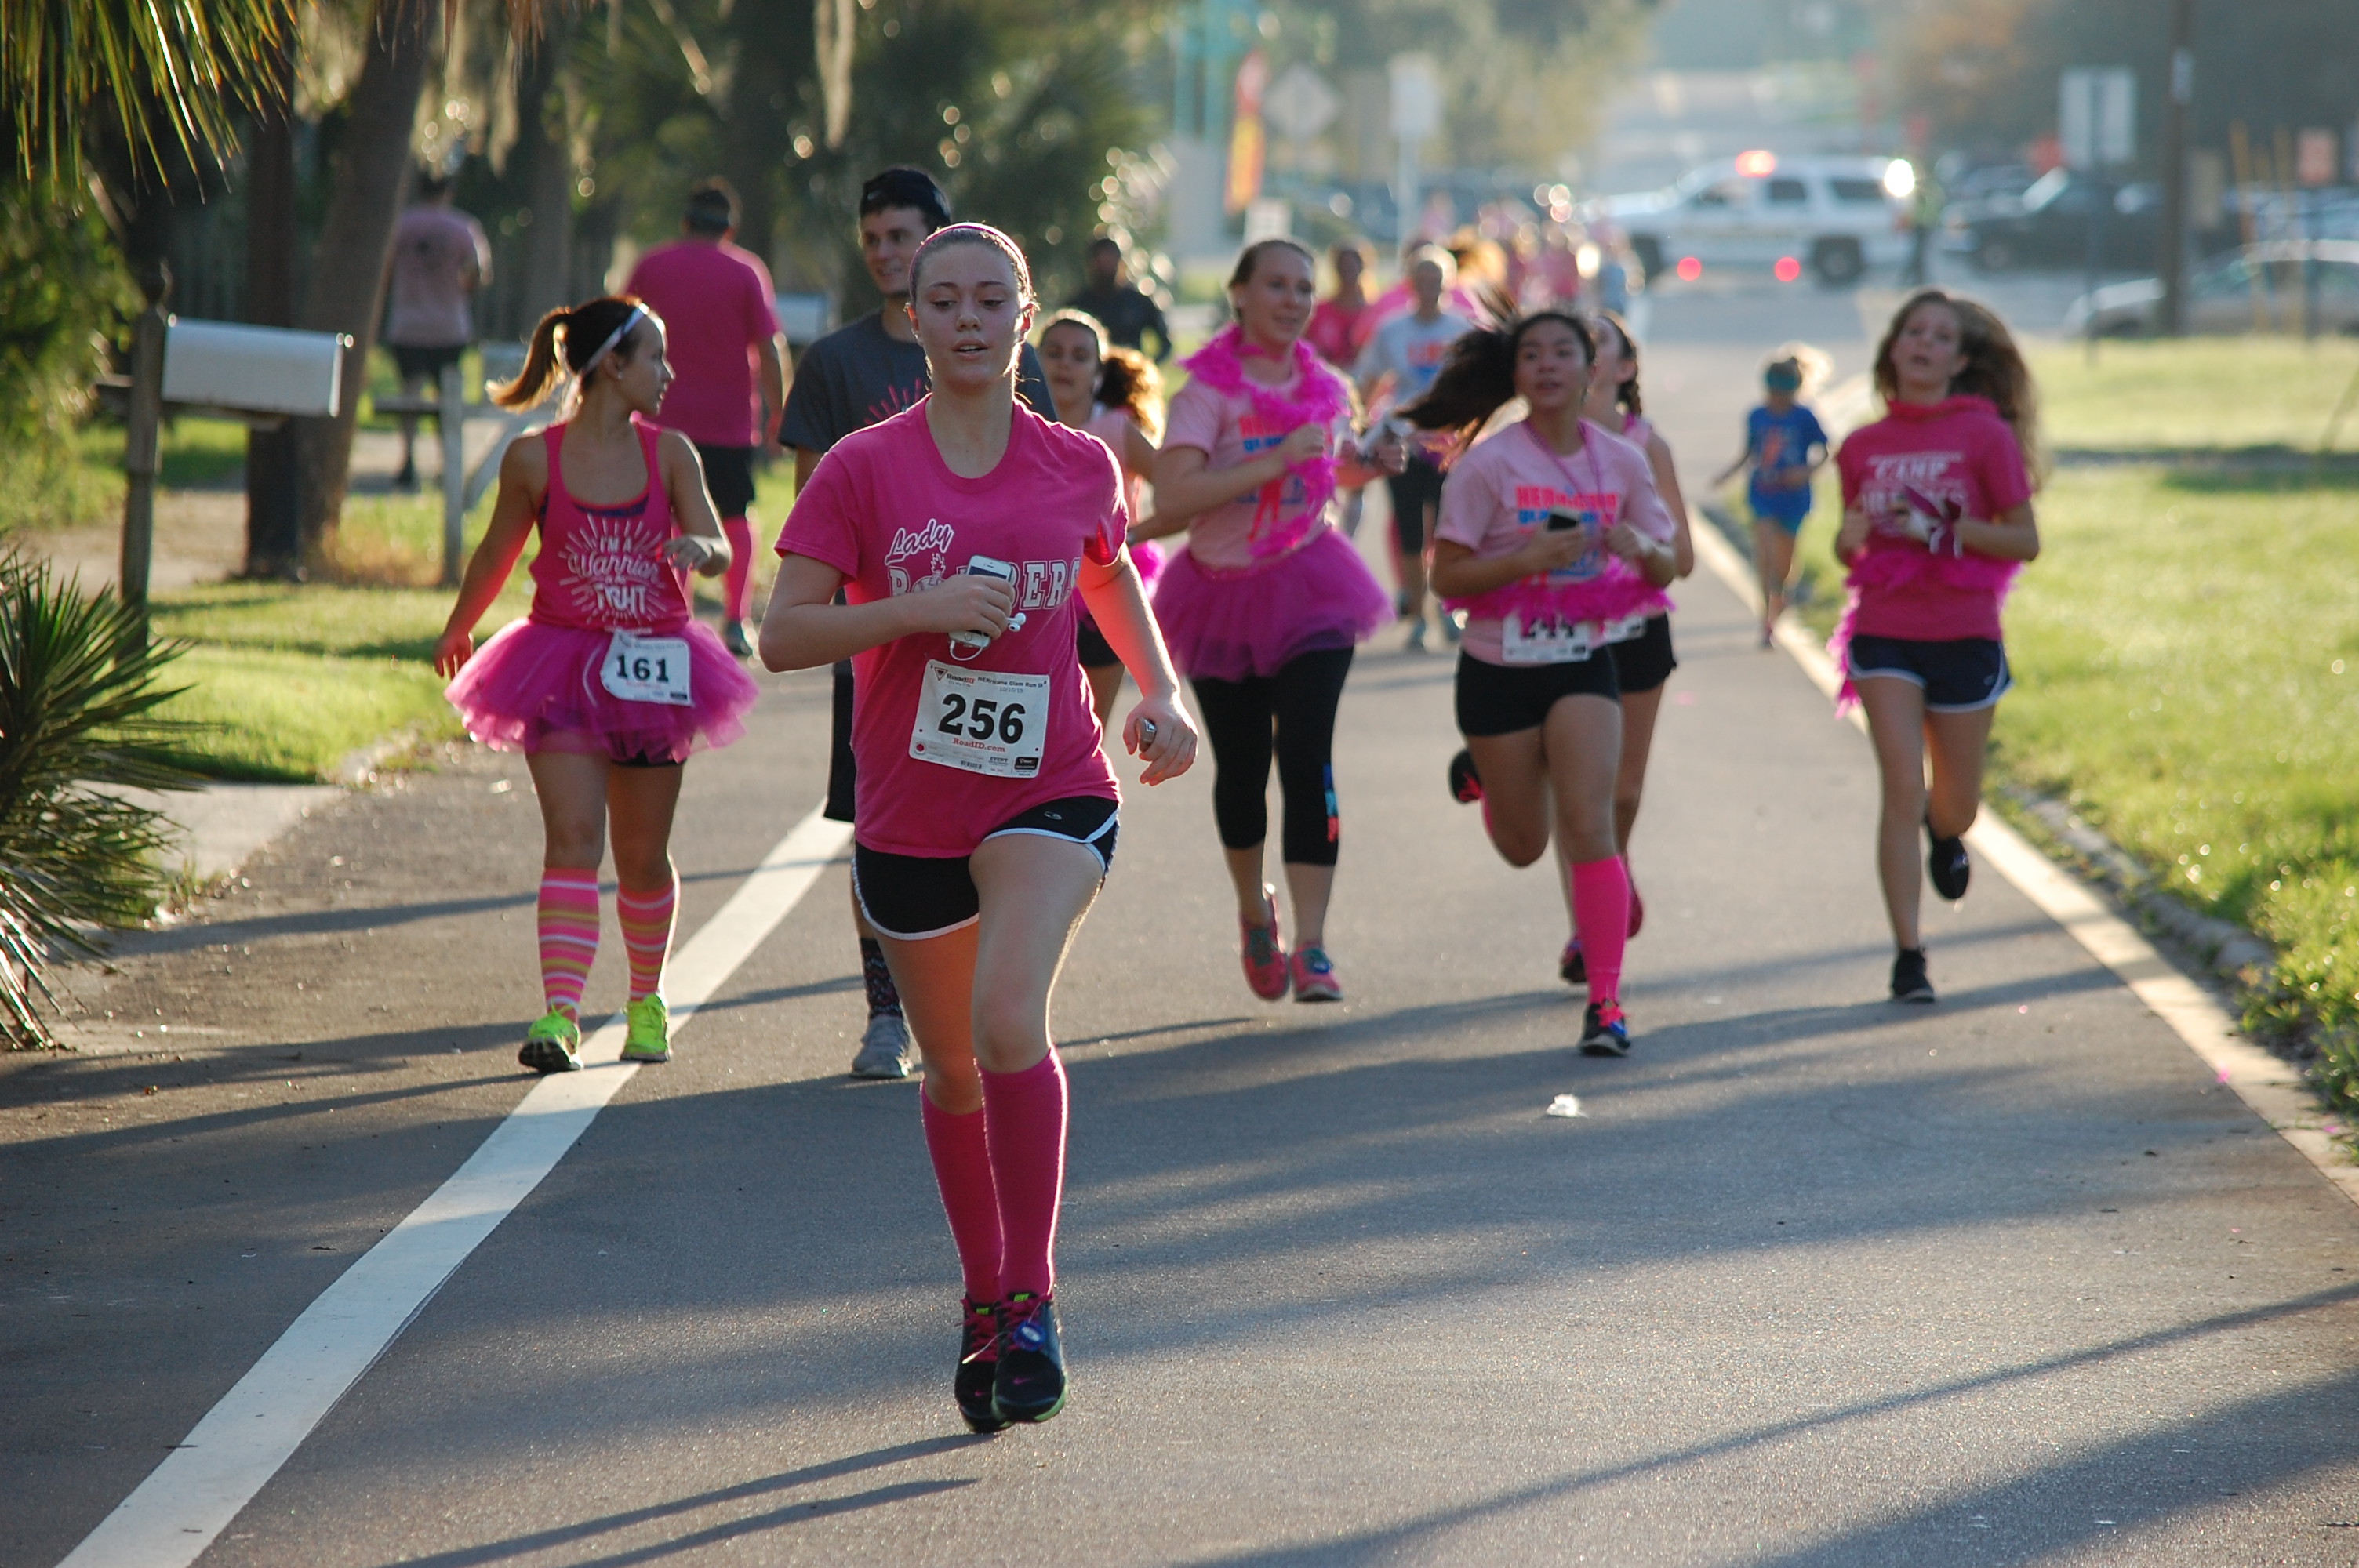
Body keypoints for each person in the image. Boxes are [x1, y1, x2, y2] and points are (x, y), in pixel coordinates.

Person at [762, 223, 1198, 1432]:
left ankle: (1036, 1299)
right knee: (951, 1064)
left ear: (1024, 315)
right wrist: (918, 609)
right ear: (910, 316)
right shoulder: (862, 468)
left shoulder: (1079, 465)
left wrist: (1160, 693)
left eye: (988, 299)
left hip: (1050, 786)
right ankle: (982, 1296)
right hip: (909, 808)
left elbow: (1108, 574)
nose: (965, 317)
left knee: (1011, 1020)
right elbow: (782, 635)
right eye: (939, 299)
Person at [780, 165, 1057, 1080]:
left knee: (1001, 824)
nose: (885, 254)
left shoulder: (1008, 359)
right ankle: (887, 1008)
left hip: (1003, 654)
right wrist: (882, 603)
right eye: (874, 243)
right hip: (880, 641)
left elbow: (1053, 500)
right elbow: (817, 506)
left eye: (901, 235)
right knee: (879, 821)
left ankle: (985, 992)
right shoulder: (836, 363)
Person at [434, 296, 758, 1073]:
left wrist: (698, 549)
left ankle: (646, 999)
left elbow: (715, 540)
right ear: (611, 364)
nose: (668, 373)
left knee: (642, 856)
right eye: (655, 356)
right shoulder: (533, 459)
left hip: (654, 667)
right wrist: (459, 622)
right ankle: (561, 1014)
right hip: (559, 664)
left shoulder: (672, 452)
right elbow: (494, 554)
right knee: (571, 841)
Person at [1403, 312, 1678, 1055]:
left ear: (1594, 369)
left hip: (1583, 661)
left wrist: (1641, 546)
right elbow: (1449, 577)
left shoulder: (1622, 461)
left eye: (1565, 352)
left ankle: (1608, 1003)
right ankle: (1492, 783)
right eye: (1533, 354)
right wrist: (1527, 559)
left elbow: (1667, 563)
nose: (1549, 365)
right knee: (1525, 845)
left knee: (1591, 823)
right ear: (1516, 374)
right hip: (1497, 668)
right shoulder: (1489, 465)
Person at [1145, 238, 1406, 1004]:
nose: (1291, 299)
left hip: (1310, 584)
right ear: (1239, 295)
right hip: (1220, 592)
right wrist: (1268, 461)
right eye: (1275, 285)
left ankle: (1315, 944)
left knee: (1306, 755)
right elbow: (1173, 497)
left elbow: (1333, 466)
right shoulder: (1205, 393)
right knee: (1241, 770)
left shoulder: (1325, 385)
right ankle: (1254, 911)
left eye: (1301, 286)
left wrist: (1371, 461)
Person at [1830, 289, 2041, 1004]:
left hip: (1966, 630)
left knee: (1956, 805)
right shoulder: (1860, 446)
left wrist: (1947, 530)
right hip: (1885, 628)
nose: (1923, 343)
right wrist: (1847, 539)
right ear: (1894, 350)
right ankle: (1908, 954)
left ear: (1959, 359)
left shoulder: (1986, 438)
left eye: (1940, 335)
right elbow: (1848, 545)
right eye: (1912, 332)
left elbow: (2025, 539)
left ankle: (1944, 833)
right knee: (1900, 785)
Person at [1555, 309, 1696, 986]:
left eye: (1594, 346)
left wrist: (1641, 548)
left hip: (1635, 627)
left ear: (1622, 367)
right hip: (1557, 630)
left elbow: (1685, 556)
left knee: (1624, 788)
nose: (1578, 357)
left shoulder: (1647, 444)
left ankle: (1614, 865)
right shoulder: (1531, 446)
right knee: (1575, 789)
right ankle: (1588, 926)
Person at [625, 178, 789, 659]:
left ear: (685, 222)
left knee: (667, 520)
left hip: (658, 418)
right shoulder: (745, 272)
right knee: (734, 518)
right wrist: (780, 413)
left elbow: (621, 332)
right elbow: (770, 348)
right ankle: (735, 620)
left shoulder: (651, 266)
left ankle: (675, 617)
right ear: (730, 228)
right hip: (729, 423)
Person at [1037, 309, 1167, 728]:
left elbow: (1181, 493)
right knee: (1036, 728)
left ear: (1098, 371)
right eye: (1053, 353)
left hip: (1100, 598)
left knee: (1087, 730)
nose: (1064, 364)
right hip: (1034, 590)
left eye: (1079, 356)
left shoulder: (1116, 429)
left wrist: (1130, 539)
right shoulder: (1010, 423)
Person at [1355, 246, 1474, 650]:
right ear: (1410, 283)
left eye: (1436, 280)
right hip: (1404, 441)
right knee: (1410, 533)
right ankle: (1419, 617)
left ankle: (1449, 609)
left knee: (1447, 531)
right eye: (1421, 280)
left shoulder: (1461, 330)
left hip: (1449, 445)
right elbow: (1369, 381)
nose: (1428, 288)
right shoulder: (1392, 330)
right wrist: (1359, 427)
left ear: (1448, 284)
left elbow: (1479, 390)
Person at [1712, 344, 1831, 645]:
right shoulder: (1756, 416)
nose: (1777, 400)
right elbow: (1749, 452)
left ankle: (1782, 597)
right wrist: (1727, 474)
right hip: (1762, 494)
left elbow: (1826, 449)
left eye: (1783, 394)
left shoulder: (1805, 417)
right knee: (1764, 556)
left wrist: (1805, 472)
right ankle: (1767, 619)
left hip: (1793, 497)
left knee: (1784, 562)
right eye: (1773, 393)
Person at [385, 169, 491, 493]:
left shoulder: (402, 225)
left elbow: (385, 267)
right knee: (447, 397)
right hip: (449, 326)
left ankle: (408, 460)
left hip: (408, 324)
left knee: (410, 394)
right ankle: (448, 465)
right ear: (448, 192)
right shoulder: (463, 228)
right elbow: (478, 272)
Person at [1307, 239, 1378, 541]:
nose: (1348, 271)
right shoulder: (1320, 312)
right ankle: (1325, 533)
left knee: (1357, 475)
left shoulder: (1375, 313)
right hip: (1328, 406)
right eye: (1342, 265)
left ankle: (1347, 540)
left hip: (1367, 403)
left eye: (1354, 264)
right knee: (1326, 469)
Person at [1063, 235, 1172, 362]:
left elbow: (1165, 343)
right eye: (1101, 260)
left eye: (1110, 259)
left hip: (1128, 375)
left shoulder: (1138, 302)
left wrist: (1147, 366)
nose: (1106, 266)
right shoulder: (1077, 305)